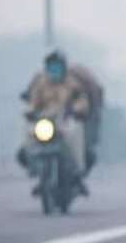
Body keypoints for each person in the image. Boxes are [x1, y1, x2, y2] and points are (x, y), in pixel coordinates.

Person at [20, 50, 91, 192]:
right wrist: (30, 111)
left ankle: (77, 169)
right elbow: (33, 102)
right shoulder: (41, 83)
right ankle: (34, 167)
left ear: (63, 67)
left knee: (75, 132)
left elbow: (80, 99)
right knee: (27, 135)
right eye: (51, 67)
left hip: (65, 119)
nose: (54, 71)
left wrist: (77, 109)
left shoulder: (72, 83)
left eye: (57, 67)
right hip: (44, 121)